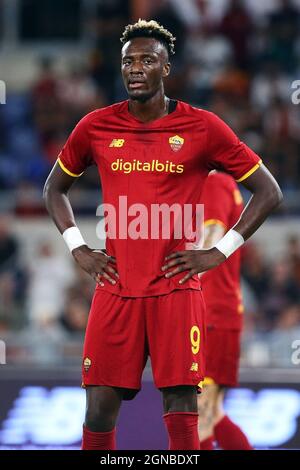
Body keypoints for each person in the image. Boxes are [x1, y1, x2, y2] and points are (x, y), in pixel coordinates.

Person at [43, 19, 282, 450]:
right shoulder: (96, 126)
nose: (135, 68)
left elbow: (269, 191)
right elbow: (53, 188)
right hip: (115, 288)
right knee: (97, 408)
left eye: (147, 60)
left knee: (184, 408)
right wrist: (78, 247)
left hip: (176, 290)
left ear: (166, 68)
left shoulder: (203, 127)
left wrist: (220, 251)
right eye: (128, 61)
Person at [197, 171, 253, 450]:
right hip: (220, 310)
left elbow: (212, 234)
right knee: (211, 410)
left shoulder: (213, 182)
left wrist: (181, 272)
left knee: (201, 409)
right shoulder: (223, 183)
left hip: (213, 312)